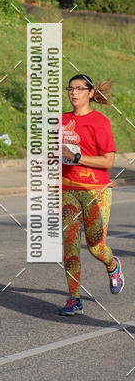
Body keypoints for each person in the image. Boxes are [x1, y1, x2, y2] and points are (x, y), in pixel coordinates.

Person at [59, 73, 125, 316]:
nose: (74, 93)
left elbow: (108, 161)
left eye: (79, 89)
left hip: (96, 191)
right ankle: (73, 298)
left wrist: (78, 157)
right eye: (70, 88)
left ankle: (113, 264)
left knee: (95, 247)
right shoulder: (61, 121)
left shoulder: (100, 122)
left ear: (89, 93)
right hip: (68, 190)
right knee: (70, 246)